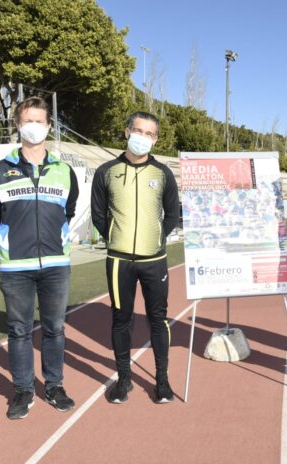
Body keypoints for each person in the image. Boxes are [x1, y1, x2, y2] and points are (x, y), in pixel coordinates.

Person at [0, 96, 79, 420]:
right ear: (18, 125)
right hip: (16, 267)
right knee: (19, 331)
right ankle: (23, 390)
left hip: (55, 264)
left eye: (40, 121)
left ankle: (54, 386)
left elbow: (69, 210)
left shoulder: (65, 171)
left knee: (54, 329)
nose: (34, 127)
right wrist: (9, 238)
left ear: (49, 127)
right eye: (29, 121)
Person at [91, 111, 179, 404]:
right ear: (127, 132)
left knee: (158, 320)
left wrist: (155, 239)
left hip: (154, 260)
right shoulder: (106, 171)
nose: (143, 137)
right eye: (138, 131)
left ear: (155, 139)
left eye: (150, 134)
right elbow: (98, 216)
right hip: (119, 261)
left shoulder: (163, 173)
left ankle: (162, 381)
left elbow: (172, 215)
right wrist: (118, 239)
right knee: (121, 320)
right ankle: (124, 379)